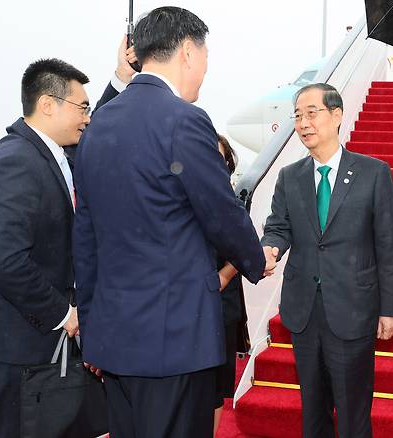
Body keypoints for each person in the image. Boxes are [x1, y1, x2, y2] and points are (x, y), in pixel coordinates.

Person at [72, 7, 267, 438]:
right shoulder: (184, 120)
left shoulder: (98, 124)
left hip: (116, 341)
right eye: (205, 55)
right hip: (175, 342)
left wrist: (93, 327)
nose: (205, 68)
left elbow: (84, 237)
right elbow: (220, 210)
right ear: (186, 52)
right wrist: (256, 260)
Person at [0, 39, 137, 438]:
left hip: (48, 349)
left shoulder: (57, 154)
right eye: (80, 107)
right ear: (48, 104)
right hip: (20, 346)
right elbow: (8, 263)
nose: (86, 117)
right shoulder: (16, 162)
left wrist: (119, 78)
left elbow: (97, 126)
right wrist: (65, 315)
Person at [261, 83, 393, 438]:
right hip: (304, 312)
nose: (303, 123)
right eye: (297, 116)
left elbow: (388, 245)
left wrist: (390, 308)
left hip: (354, 309)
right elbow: (278, 227)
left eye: (312, 113)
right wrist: (270, 248)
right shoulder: (289, 176)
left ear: (336, 115)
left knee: (354, 413)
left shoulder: (373, 172)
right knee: (313, 410)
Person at [213, 134, 245, 436]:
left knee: (216, 388)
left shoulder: (234, 203)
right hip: (186, 307)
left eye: (220, 157)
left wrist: (223, 276)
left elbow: (244, 250)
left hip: (221, 306)